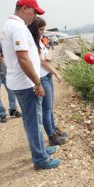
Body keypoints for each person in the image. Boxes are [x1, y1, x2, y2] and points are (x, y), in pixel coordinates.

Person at [1, 0, 60, 170]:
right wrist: (38, 83)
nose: (35, 16)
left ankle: (40, 149)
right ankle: (41, 159)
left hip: (19, 82)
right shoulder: (18, 28)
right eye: (34, 12)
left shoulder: (8, 25)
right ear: (25, 8)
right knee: (34, 122)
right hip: (26, 84)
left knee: (31, 120)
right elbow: (23, 59)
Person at [28, 17, 67, 146]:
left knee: (49, 108)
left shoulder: (39, 41)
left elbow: (47, 57)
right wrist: (55, 72)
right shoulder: (32, 43)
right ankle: (51, 136)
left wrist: (48, 61)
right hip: (42, 77)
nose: (42, 32)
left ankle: (54, 129)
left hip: (47, 76)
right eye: (40, 29)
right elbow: (42, 61)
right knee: (46, 109)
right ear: (34, 29)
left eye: (43, 29)